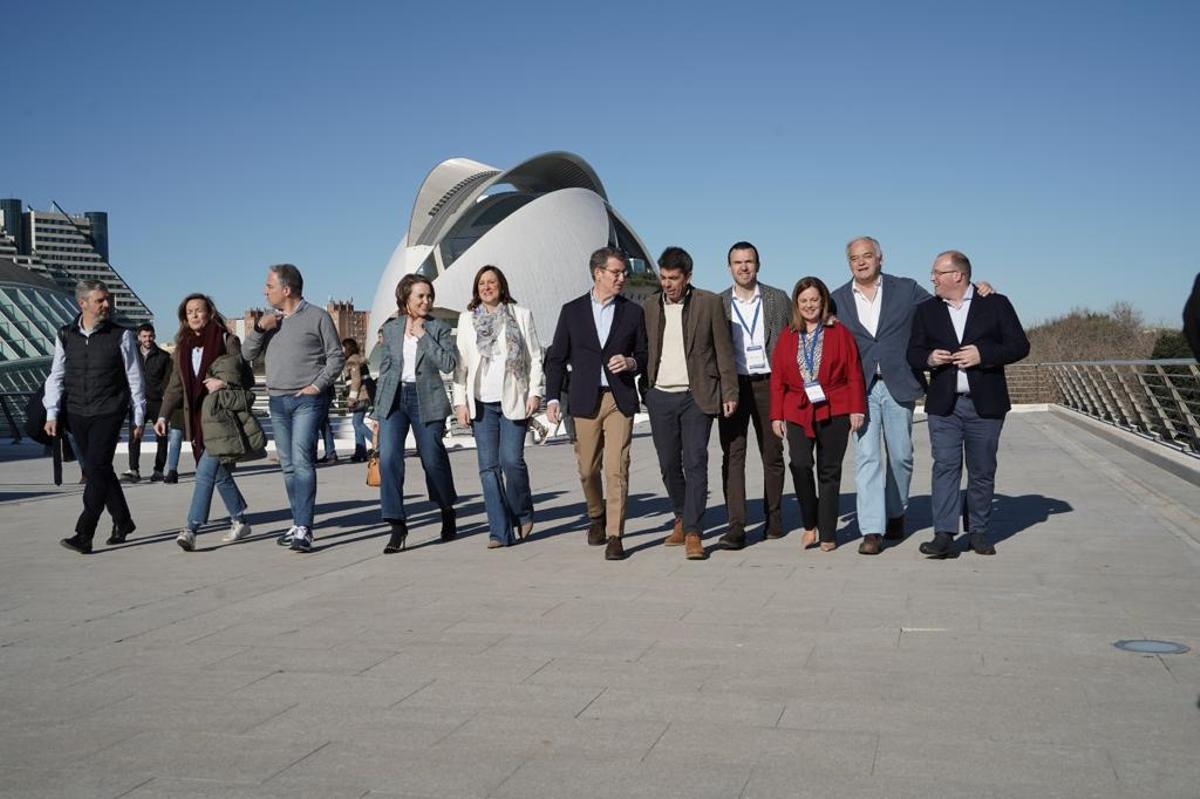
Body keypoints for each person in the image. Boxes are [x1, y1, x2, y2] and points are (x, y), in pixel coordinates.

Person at [829, 236, 993, 555]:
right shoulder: (837, 299)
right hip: (859, 387)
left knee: (901, 456)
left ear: (880, 258)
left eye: (867, 256)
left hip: (898, 383)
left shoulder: (905, 289)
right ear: (848, 263)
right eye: (854, 258)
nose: (861, 262)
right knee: (867, 457)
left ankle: (896, 512)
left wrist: (981, 291)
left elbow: (945, 300)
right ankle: (872, 530)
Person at [908, 250, 1029, 558]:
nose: (932, 277)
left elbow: (1019, 346)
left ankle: (978, 531)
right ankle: (944, 534)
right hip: (943, 406)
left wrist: (983, 355)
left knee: (982, 469)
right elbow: (913, 352)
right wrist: (929, 358)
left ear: (957, 275)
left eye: (937, 272)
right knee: (945, 467)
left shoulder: (996, 303)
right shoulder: (926, 310)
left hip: (985, 405)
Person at [545, 247, 648, 561]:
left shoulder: (633, 312)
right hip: (584, 400)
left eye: (623, 273)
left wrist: (630, 362)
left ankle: (616, 535)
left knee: (617, 469)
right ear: (598, 273)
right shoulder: (572, 311)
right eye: (616, 272)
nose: (622, 278)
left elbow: (644, 355)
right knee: (588, 470)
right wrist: (552, 397)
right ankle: (596, 515)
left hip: (619, 399)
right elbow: (556, 359)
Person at [641, 247, 738, 560]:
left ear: (688, 277)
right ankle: (681, 516)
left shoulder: (709, 303)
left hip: (696, 396)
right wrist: (647, 390)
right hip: (660, 396)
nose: (667, 284)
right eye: (663, 277)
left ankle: (694, 531)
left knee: (695, 460)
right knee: (669, 463)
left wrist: (730, 392)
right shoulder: (650, 306)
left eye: (673, 278)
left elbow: (724, 350)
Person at [241, 264, 345, 553]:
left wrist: (317, 386)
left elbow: (336, 358)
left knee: (301, 461)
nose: (265, 290)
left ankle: (304, 527)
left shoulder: (318, 317)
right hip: (277, 401)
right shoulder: (269, 322)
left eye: (269, 286)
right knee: (287, 466)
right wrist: (260, 328)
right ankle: (298, 521)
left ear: (286, 289)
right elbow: (246, 354)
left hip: (307, 401)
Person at [44, 279, 146, 554]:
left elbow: (135, 378)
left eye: (107, 299)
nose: (106, 304)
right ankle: (123, 522)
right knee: (100, 469)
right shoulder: (66, 334)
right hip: (77, 411)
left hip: (108, 411)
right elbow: (57, 375)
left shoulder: (121, 335)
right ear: (83, 303)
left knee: (96, 469)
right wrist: (52, 412)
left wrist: (139, 415)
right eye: (100, 300)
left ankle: (84, 532)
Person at [770, 277, 865, 552]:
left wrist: (857, 407)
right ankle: (809, 523)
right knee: (799, 464)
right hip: (797, 409)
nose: (809, 305)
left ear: (822, 302)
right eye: (804, 301)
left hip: (834, 407)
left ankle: (827, 532)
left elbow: (854, 372)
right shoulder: (787, 336)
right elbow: (777, 379)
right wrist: (776, 415)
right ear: (796, 305)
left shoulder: (839, 332)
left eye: (814, 300)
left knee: (829, 470)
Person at [452, 265, 544, 548]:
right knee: (488, 468)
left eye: (492, 282)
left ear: (502, 286)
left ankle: (523, 511)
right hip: (480, 403)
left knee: (511, 461)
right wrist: (459, 402)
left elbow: (534, 357)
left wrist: (535, 392)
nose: (487, 287)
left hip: (513, 399)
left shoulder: (520, 315)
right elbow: (461, 365)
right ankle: (499, 531)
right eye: (481, 283)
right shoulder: (467, 320)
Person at [156, 294, 254, 551]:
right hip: (197, 420)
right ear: (184, 318)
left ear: (210, 312)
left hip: (220, 420)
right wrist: (163, 415)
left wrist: (224, 382)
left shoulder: (226, 340)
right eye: (190, 312)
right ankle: (239, 520)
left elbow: (246, 378)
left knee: (204, 473)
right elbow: (176, 385)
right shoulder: (183, 347)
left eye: (199, 310)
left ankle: (191, 528)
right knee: (218, 473)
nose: (195, 315)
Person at [373, 273, 458, 553]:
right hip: (394, 399)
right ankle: (397, 525)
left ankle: (446, 508)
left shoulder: (439, 328)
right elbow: (386, 369)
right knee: (388, 459)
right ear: (406, 299)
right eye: (420, 296)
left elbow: (447, 363)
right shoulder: (392, 328)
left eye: (429, 295)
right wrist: (377, 413)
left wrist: (423, 335)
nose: (426, 300)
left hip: (426, 398)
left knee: (432, 458)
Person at [717, 241, 793, 549]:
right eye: (738, 262)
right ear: (729, 267)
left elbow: (793, 337)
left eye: (749, 261)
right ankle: (736, 525)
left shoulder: (777, 299)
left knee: (772, 454)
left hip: (769, 383)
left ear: (758, 265)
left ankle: (773, 518)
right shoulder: (719, 303)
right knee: (733, 456)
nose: (744, 267)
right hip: (734, 387)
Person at [121, 323, 171, 483]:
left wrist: (162, 395)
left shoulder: (163, 356)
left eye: (150, 336)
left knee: (161, 438)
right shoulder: (132, 354)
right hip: (137, 402)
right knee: (135, 436)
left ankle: (158, 470)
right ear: (139, 337)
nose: (147, 339)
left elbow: (168, 380)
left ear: (154, 336)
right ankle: (134, 469)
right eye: (144, 336)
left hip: (157, 402)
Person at [341, 338, 374, 462]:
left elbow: (356, 381)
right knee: (357, 422)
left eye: (343, 347)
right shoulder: (357, 359)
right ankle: (360, 452)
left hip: (360, 396)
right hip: (365, 395)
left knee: (357, 423)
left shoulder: (352, 361)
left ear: (348, 348)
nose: (341, 350)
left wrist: (351, 398)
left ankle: (378, 443)